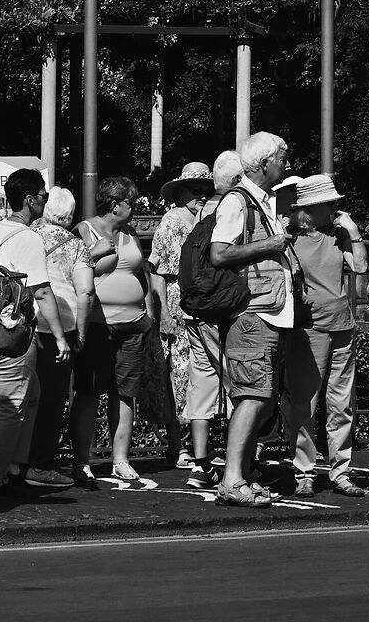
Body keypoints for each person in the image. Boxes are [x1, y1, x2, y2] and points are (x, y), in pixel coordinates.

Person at [209, 132, 296, 505]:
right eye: (282, 158)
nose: (287, 164)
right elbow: (219, 253)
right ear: (264, 164)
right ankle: (231, 480)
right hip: (252, 313)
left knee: (259, 396)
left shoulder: (260, 202)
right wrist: (271, 245)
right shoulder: (238, 202)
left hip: (266, 311)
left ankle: (240, 476)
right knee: (251, 396)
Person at [0, 169, 71, 496]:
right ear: (30, 199)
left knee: (30, 395)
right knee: (12, 404)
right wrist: (60, 337)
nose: (46, 200)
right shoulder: (29, 238)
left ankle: (15, 464)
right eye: (44, 195)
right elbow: (43, 292)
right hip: (15, 333)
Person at [282, 173, 368, 497]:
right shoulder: (291, 238)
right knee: (305, 402)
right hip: (309, 327)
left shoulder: (339, 234)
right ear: (312, 207)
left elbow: (359, 267)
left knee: (341, 403)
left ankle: (340, 471)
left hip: (341, 324)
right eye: (329, 203)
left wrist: (355, 233)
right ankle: (304, 471)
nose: (335, 207)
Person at [75, 176, 158, 488]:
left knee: (126, 393)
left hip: (133, 325)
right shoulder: (84, 231)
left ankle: (120, 459)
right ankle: (82, 461)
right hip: (99, 325)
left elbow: (143, 273)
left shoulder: (131, 233)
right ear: (114, 206)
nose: (134, 209)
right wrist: (95, 253)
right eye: (130, 204)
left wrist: (149, 314)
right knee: (89, 393)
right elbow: (73, 271)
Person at [150, 160, 220, 477]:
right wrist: (163, 312)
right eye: (196, 190)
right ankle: (179, 447)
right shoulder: (172, 221)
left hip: (203, 305)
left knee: (199, 377)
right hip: (179, 307)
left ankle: (197, 447)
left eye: (207, 189)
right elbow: (158, 271)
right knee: (179, 378)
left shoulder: (209, 220)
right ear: (182, 192)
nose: (202, 195)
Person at [25, 185, 92, 484]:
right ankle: (40, 464)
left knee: (22, 397)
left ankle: (15, 461)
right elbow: (86, 292)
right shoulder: (77, 246)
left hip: (26, 325)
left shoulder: (29, 237)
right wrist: (81, 333)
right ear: (70, 215)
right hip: (60, 328)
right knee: (52, 400)